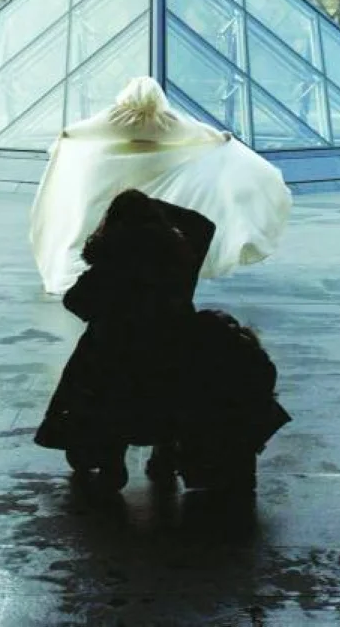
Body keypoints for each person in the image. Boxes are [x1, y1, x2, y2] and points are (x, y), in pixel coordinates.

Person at [34, 188, 290, 493]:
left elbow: (75, 303)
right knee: (172, 394)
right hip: (173, 353)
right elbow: (202, 224)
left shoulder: (110, 266)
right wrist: (152, 208)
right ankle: (165, 454)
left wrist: (125, 211)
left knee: (91, 381)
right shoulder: (178, 262)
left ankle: (110, 461)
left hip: (114, 359)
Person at [29, 76, 292, 297]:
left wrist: (66, 138)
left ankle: (99, 263)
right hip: (157, 172)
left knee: (90, 219)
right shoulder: (165, 120)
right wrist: (220, 138)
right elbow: (196, 131)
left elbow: (84, 130)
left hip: (111, 173)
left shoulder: (115, 117)